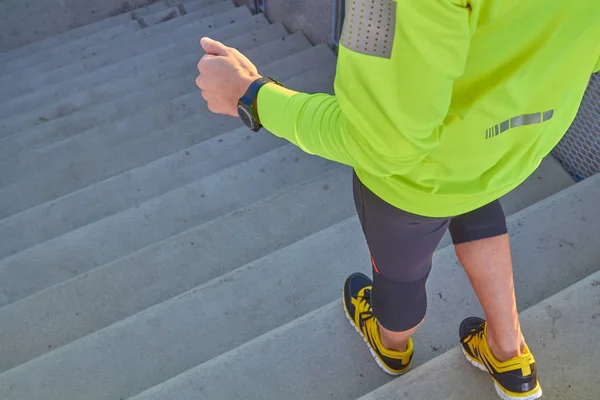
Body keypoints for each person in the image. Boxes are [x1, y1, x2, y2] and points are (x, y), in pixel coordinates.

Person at [195, 1, 600, 398]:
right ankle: (509, 354)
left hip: (414, 182)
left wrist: (253, 97)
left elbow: (383, 144)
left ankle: (391, 347)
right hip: (513, 150)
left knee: (400, 278)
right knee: (477, 206)